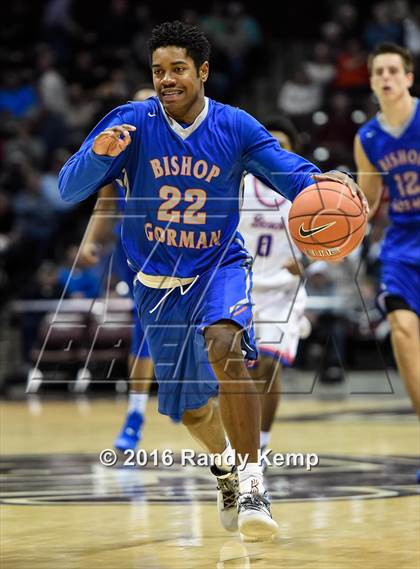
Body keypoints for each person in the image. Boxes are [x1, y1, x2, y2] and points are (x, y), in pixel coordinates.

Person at [59, 21, 366, 540]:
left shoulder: (236, 126)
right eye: (158, 71)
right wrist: (98, 156)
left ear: (203, 71)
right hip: (155, 282)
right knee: (193, 411)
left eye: (178, 69)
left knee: (226, 346)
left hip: (217, 267)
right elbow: (70, 188)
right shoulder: (131, 122)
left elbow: (284, 169)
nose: (166, 79)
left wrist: (319, 180)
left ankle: (252, 484)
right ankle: (224, 469)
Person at [353, 43, 420, 477]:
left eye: (394, 70)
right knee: (402, 331)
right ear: (373, 81)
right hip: (401, 243)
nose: (387, 77)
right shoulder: (368, 138)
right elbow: (369, 199)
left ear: (409, 77)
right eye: (379, 72)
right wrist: (337, 213)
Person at [79, 87, 156, 453]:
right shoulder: (119, 154)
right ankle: (135, 414)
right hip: (138, 255)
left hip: (190, 251)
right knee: (143, 331)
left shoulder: (186, 149)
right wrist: (90, 241)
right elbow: (105, 204)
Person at [239, 115, 311, 461]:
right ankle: (242, 439)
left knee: (267, 365)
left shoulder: (307, 194)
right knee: (239, 372)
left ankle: (261, 443)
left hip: (283, 292)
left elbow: (341, 242)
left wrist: (309, 262)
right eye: (270, 145)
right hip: (242, 289)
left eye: (283, 146)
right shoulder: (239, 185)